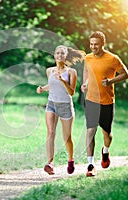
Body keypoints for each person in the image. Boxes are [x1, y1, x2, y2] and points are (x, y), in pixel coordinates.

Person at [81, 31, 128, 177]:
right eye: (91, 44)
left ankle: (105, 151)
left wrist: (110, 81)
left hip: (107, 101)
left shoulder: (113, 59)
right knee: (90, 131)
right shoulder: (88, 58)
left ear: (103, 44)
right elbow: (86, 71)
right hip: (91, 100)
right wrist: (85, 83)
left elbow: (126, 74)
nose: (93, 47)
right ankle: (90, 165)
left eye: (96, 44)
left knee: (107, 133)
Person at [36, 45, 85, 175]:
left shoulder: (71, 72)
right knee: (50, 132)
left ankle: (70, 160)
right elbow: (51, 86)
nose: (60, 55)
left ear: (66, 56)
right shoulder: (49, 71)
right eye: (57, 53)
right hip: (51, 104)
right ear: (54, 55)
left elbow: (72, 92)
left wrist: (63, 80)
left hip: (65, 107)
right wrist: (42, 89)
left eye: (62, 53)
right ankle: (50, 163)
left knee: (67, 138)